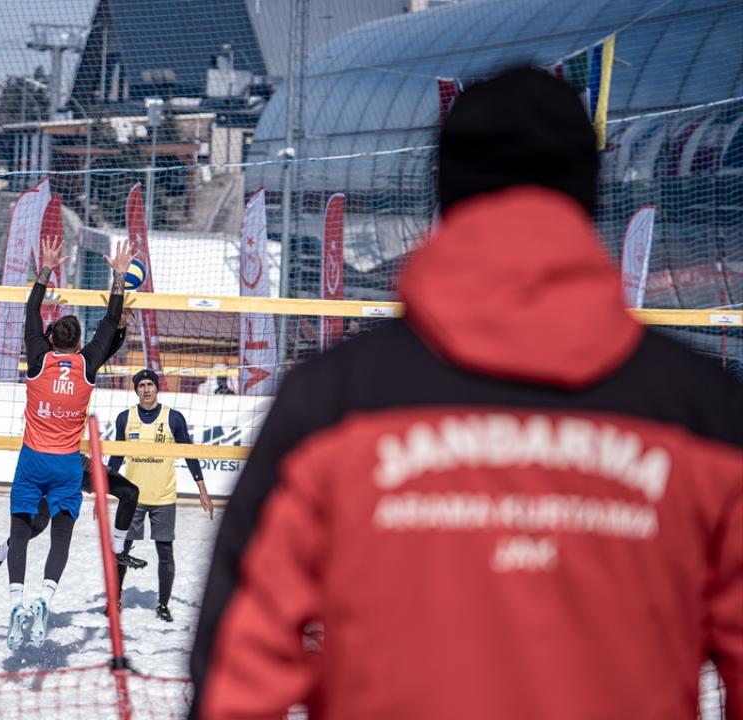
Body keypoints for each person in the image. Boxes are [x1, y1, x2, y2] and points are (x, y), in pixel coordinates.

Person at [189, 67, 743, 719]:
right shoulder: (703, 414)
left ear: (446, 192)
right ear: (591, 192)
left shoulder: (334, 403)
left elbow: (238, 677)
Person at [4, 235, 133, 651]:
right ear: (77, 343)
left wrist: (45, 269)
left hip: (32, 460)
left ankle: (16, 601)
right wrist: (118, 278)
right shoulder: (87, 363)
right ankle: (46, 597)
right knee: (61, 536)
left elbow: (29, 310)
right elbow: (111, 324)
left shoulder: (38, 358)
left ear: (50, 336)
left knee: (22, 529)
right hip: (65, 463)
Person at [0, 309, 148, 590]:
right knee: (37, 527)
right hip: (44, 462)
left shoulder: (78, 366)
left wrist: (119, 328)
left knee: (129, 492)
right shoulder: (43, 364)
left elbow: (100, 354)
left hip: (73, 463)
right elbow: (97, 351)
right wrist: (115, 323)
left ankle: (118, 550)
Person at [108, 369, 214, 622]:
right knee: (120, 549)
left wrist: (203, 492)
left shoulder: (173, 418)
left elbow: (190, 455)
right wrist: (104, 491)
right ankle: (115, 600)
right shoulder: (125, 418)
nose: (146, 389)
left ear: (157, 388)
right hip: (132, 498)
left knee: (165, 552)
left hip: (164, 498)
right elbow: (115, 457)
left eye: (150, 385)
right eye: (141, 385)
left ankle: (163, 605)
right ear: (136, 390)